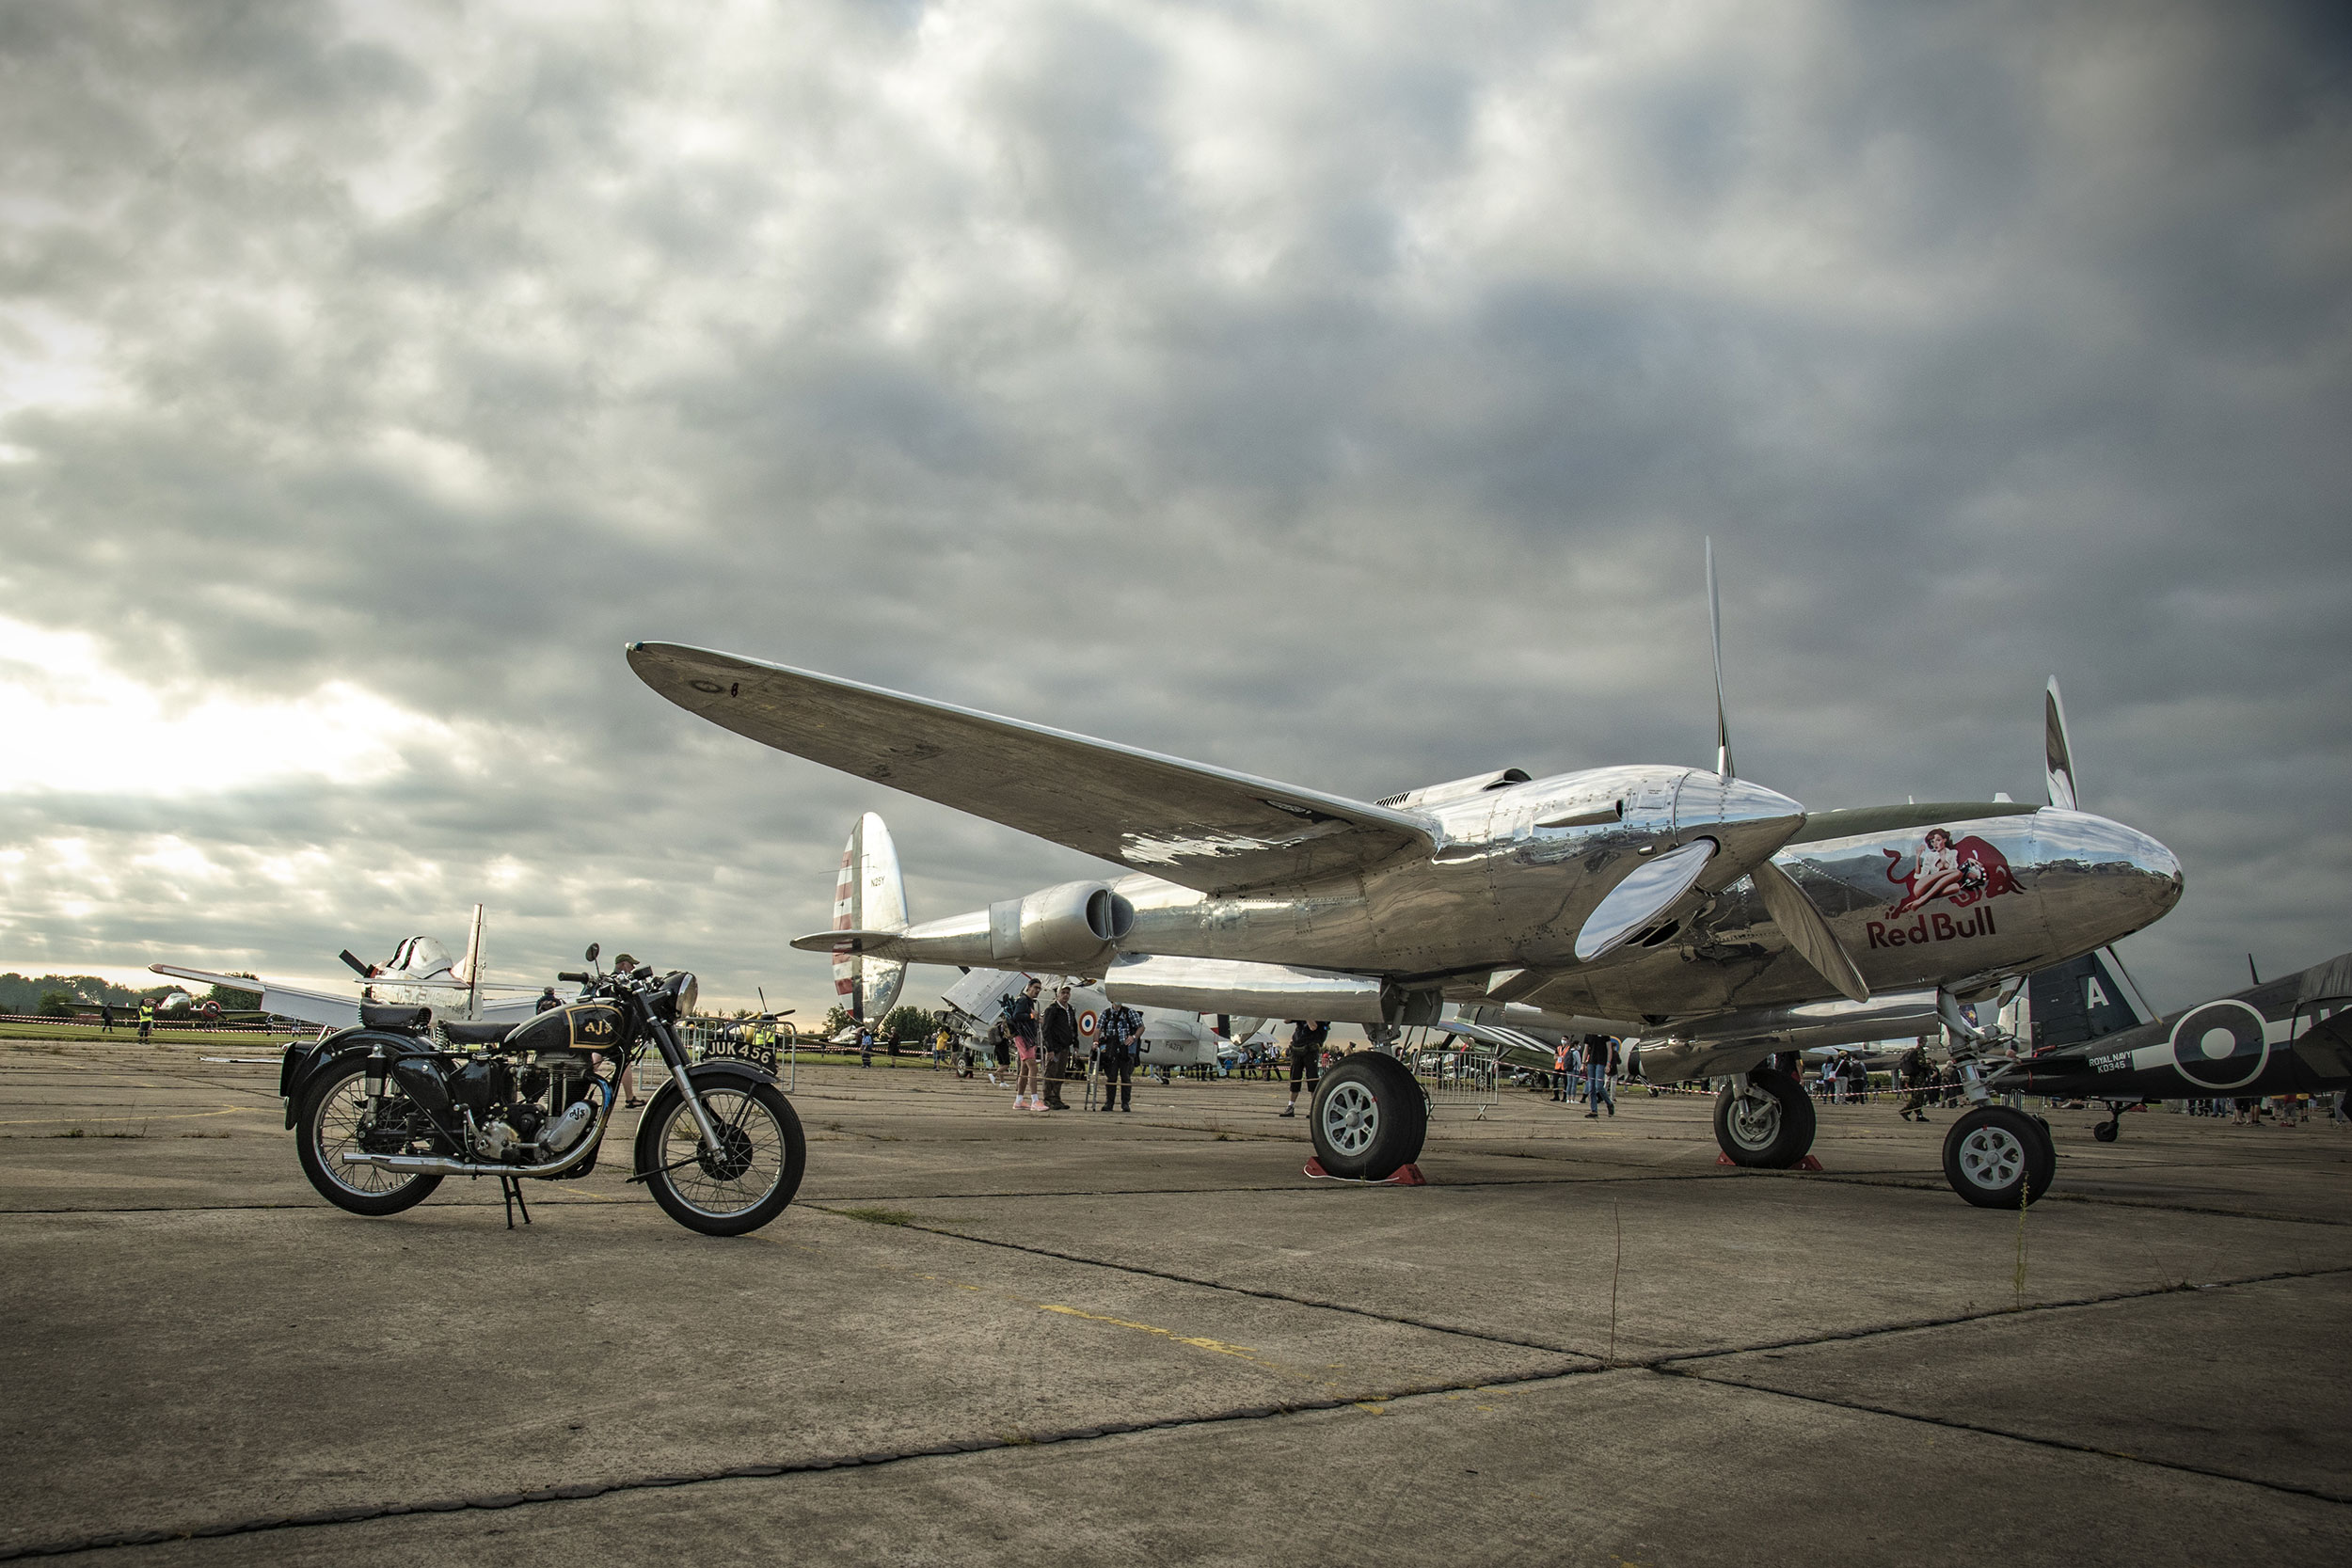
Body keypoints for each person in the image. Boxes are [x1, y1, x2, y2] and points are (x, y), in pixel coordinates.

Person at [611, 955, 647, 1106]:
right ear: (623, 964)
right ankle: (629, 1097)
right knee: (622, 1061)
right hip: (618, 1032)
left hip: (613, 1032)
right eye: (631, 964)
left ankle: (629, 1096)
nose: (633, 968)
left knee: (622, 1061)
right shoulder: (618, 983)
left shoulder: (613, 982)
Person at [1279, 1020, 1329, 1117]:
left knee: (1312, 1079)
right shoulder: (1301, 1017)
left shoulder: (1321, 1018)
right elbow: (1286, 1020)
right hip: (1297, 1049)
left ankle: (1314, 1108)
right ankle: (1290, 1106)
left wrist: (1307, 1016)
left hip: (1310, 1050)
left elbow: (1313, 1027)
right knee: (1295, 1078)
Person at [1041, 985, 1079, 1110]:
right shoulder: (1052, 1009)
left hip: (1065, 1047)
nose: (1066, 995)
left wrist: (1076, 1044)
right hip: (1055, 1048)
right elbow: (1046, 1030)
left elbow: (1073, 1028)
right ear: (1058, 994)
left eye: (1068, 993)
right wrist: (1050, 1049)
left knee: (1060, 1073)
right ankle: (1048, 1098)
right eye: (1063, 992)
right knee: (1051, 1071)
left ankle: (1056, 1097)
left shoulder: (1070, 1010)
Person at [1097, 1003, 1139, 1113]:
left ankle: (1125, 1103)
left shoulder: (1129, 1012)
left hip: (1126, 1050)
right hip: (1111, 1049)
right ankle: (1109, 1103)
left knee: (1126, 1077)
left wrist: (1133, 1037)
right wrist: (1096, 1042)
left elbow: (1141, 1027)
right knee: (1111, 1077)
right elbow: (1098, 1029)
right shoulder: (1105, 1013)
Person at [1897, 1039, 1934, 1122]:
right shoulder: (1919, 1051)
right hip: (1919, 1077)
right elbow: (1921, 1064)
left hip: (1914, 1077)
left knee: (1918, 1097)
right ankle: (1905, 1111)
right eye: (1925, 1041)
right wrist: (1929, 1066)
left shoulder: (1914, 1051)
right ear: (1922, 1042)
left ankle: (1919, 1115)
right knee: (1918, 1097)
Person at [1583, 1035, 1616, 1117]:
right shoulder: (1588, 1035)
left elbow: (1609, 1049)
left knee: (1599, 1086)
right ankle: (1594, 1110)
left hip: (1601, 1062)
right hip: (1591, 1062)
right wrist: (1583, 1063)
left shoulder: (1604, 1034)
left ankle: (1609, 1103)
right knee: (1591, 1087)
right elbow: (1586, 1049)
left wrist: (1608, 1064)